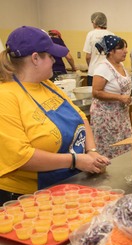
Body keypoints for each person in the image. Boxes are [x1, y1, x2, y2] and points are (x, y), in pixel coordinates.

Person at [0, 26, 110, 205]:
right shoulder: (5, 96)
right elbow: (21, 156)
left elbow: (81, 117)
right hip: (27, 197)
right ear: (35, 58)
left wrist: (92, 151)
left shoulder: (47, 85)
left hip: (64, 185)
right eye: (51, 56)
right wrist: (75, 160)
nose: (54, 61)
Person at [90, 35, 132, 159]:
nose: (125, 51)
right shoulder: (103, 67)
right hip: (106, 118)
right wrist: (119, 98)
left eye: (125, 48)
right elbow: (96, 92)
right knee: (109, 149)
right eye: (121, 48)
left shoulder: (120, 65)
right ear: (111, 51)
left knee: (124, 146)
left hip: (120, 116)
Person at [83, 12, 114, 85]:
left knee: (93, 94)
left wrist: (90, 66)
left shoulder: (91, 34)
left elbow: (88, 57)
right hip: (107, 73)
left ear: (94, 22)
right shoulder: (112, 35)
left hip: (93, 72)